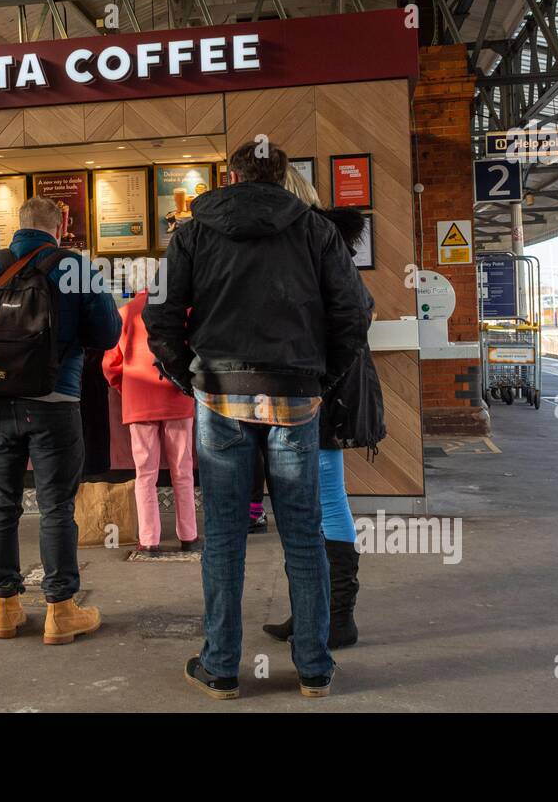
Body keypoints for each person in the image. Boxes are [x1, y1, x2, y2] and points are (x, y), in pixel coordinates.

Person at [144, 140, 371, 699]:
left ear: (231, 175)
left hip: (220, 397)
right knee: (303, 532)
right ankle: (314, 667)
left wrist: (187, 378)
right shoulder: (316, 231)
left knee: (223, 531)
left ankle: (221, 666)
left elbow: (162, 314)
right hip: (296, 396)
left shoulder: (193, 232)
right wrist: (324, 378)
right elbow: (353, 312)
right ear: (284, 178)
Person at [0, 196, 121, 644]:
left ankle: (3, 609)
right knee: (56, 508)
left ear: (17, 225)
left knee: (1, 505)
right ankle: (60, 611)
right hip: (55, 404)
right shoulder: (75, 267)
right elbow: (107, 333)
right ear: (61, 226)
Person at [262, 167, 373, 648]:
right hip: (317, 385)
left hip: (321, 391)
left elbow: (354, 312)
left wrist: (319, 377)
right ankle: (312, 607)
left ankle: (337, 617)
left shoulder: (313, 243)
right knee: (305, 502)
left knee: (326, 498)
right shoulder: (322, 242)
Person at [103, 289, 198, 556]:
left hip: (139, 402)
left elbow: (110, 365)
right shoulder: (184, 313)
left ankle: (149, 540)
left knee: (145, 474)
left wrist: (127, 388)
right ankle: (189, 536)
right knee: (183, 470)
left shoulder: (124, 313)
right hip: (177, 398)